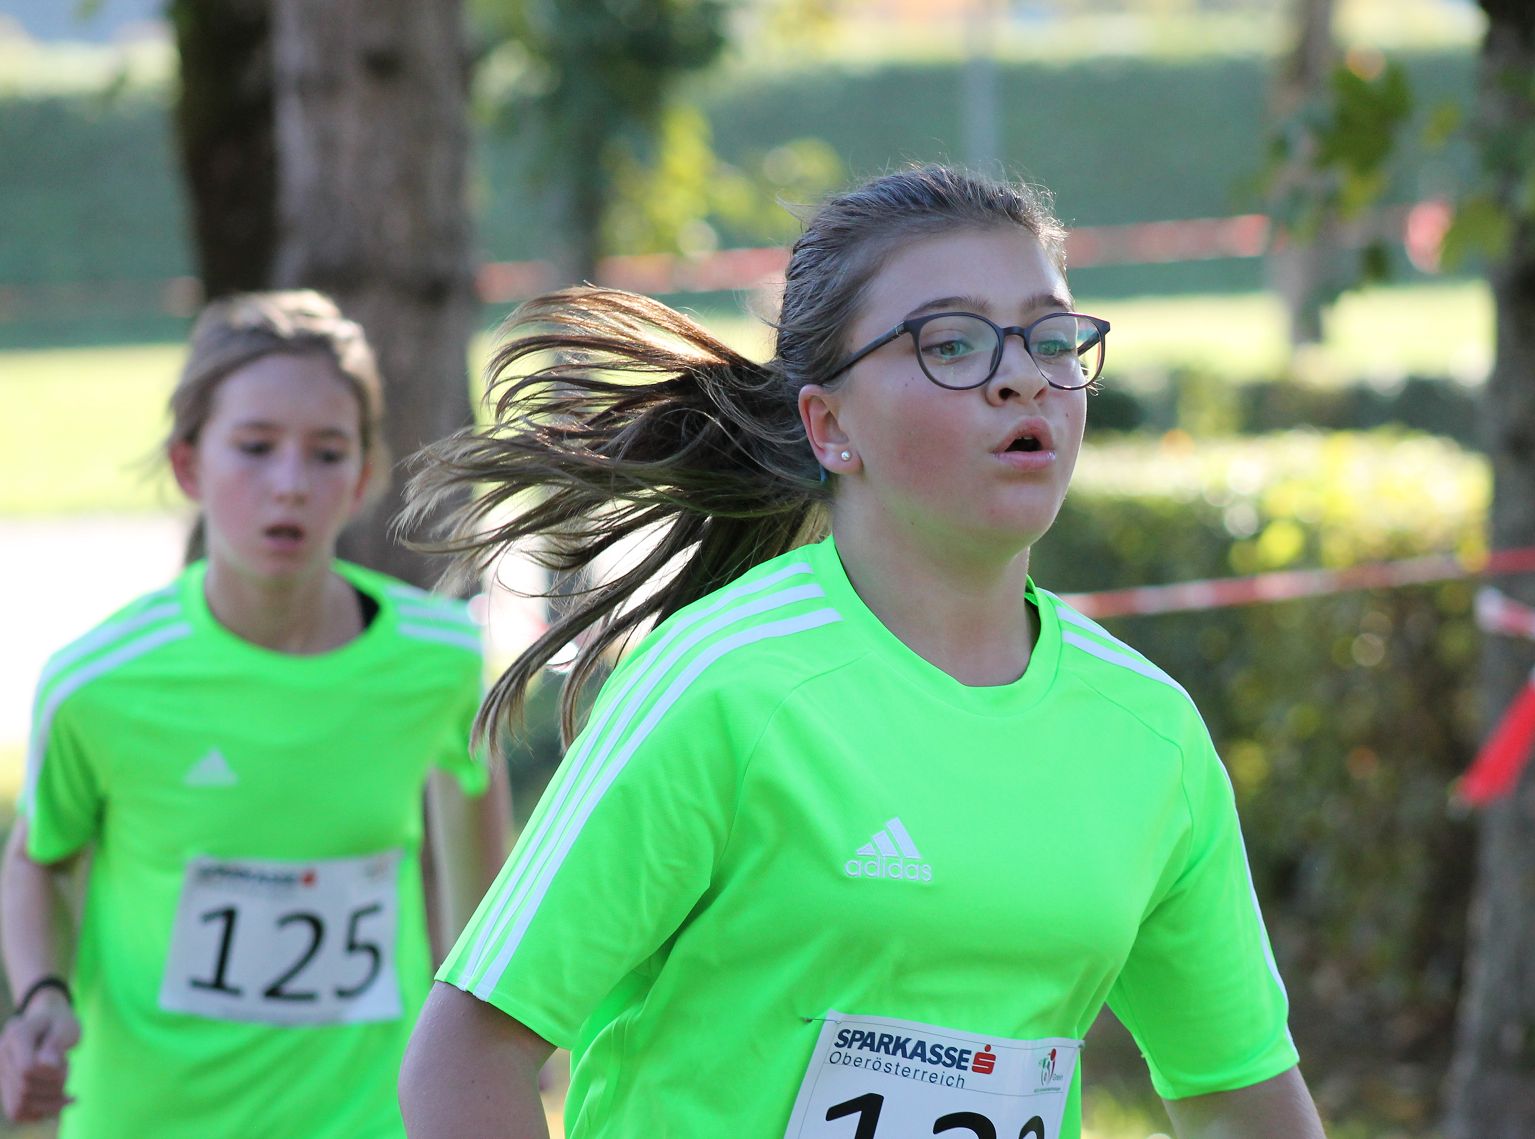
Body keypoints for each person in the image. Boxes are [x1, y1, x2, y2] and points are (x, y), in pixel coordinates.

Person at [398, 166, 1324, 1139]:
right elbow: (464, 1057)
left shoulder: (1149, 732)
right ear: (829, 425)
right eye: (950, 343)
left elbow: (1238, 1099)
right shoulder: (725, 686)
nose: (1021, 377)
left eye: (1051, 339)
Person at [1, 291, 512, 1138]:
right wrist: (42, 996)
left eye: (326, 452)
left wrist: (486, 1041)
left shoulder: (441, 660)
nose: (290, 483)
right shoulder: (99, 680)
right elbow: (37, 858)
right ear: (188, 466)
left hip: (365, 1121)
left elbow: (479, 876)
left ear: (363, 476)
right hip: (147, 1121)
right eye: (255, 447)